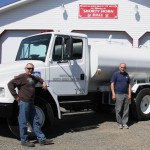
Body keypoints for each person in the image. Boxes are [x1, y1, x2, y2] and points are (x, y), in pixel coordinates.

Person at [7, 63, 53, 147]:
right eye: (28, 68)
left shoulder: (33, 77)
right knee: (23, 122)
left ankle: (41, 139)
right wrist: (16, 96)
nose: (30, 70)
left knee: (35, 121)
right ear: (25, 68)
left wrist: (43, 82)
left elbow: (39, 78)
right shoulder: (21, 77)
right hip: (24, 102)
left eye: (32, 69)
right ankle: (24, 140)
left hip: (31, 103)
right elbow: (10, 84)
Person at [111, 63, 131, 129]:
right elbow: (112, 84)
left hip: (126, 94)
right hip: (118, 94)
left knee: (126, 110)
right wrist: (113, 94)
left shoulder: (127, 75)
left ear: (125, 68)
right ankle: (119, 123)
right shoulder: (115, 74)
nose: (123, 68)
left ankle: (124, 123)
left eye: (124, 67)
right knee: (118, 109)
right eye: (121, 67)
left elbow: (129, 85)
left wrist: (129, 94)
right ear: (119, 67)